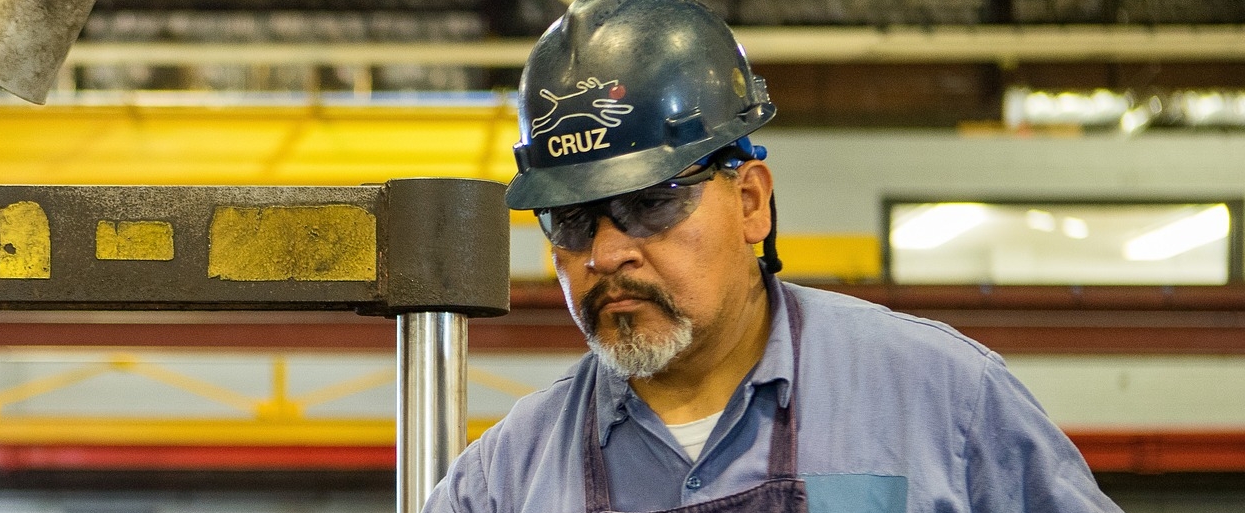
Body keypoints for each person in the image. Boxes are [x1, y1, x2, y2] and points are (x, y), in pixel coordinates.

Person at [422, 0, 1124, 511]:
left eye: (650, 202)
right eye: (570, 220)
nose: (605, 252)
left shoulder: (946, 402)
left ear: (752, 201)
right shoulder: (504, 482)